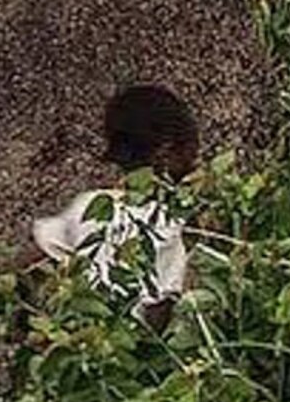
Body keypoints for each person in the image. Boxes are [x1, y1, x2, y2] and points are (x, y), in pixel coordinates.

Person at [30, 84, 200, 319]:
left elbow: (27, 262)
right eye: (191, 153)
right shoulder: (170, 227)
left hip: (83, 342)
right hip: (130, 349)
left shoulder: (88, 206)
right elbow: (157, 317)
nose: (194, 164)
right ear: (166, 152)